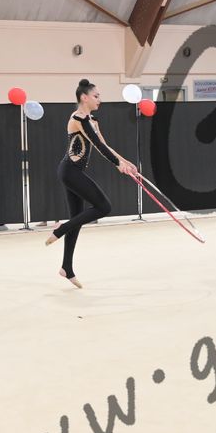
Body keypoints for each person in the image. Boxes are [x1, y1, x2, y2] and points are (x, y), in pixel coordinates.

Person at [45, 79, 137, 288]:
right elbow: (98, 146)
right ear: (84, 97)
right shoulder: (78, 118)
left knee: (77, 220)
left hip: (74, 172)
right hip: (69, 172)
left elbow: (104, 145)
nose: (99, 100)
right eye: (96, 96)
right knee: (104, 207)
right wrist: (117, 165)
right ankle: (61, 229)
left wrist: (125, 161)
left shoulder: (92, 120)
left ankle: (66, 268)